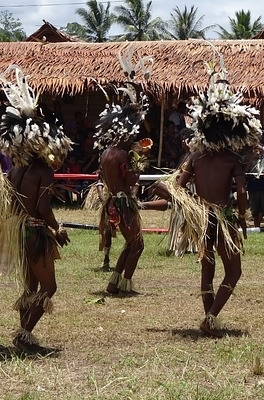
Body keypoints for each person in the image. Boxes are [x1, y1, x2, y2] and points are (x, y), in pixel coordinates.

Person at [171, 52, 261, 338]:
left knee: (207, 267)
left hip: (202, 217)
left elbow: (177, 186)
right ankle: (210, 317)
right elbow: (243, 191)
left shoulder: (195, 156)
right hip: (222, 216)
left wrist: (191, 208)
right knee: (233, 272)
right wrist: (243, 219)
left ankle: (208, 320)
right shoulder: (232, 159)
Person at [0, 65, 71, 354]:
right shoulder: (43, 170)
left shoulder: (16, 168)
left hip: (18, 229)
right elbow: (42, 207)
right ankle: (24, 333)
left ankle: (24, 337)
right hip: (35, 231)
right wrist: (57, 228)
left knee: (30, 287)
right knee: (48, 288)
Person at [93, 51, 154, 295]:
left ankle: (113, 284)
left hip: (114, 200)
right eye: (133, 134)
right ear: (126, 133)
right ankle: (125, 284)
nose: (135, 138)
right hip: (122, 202)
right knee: (137, 244)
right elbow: (130, 179)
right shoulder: (121, 155)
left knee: (131, 244)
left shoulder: (107, 152)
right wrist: (139, 165)